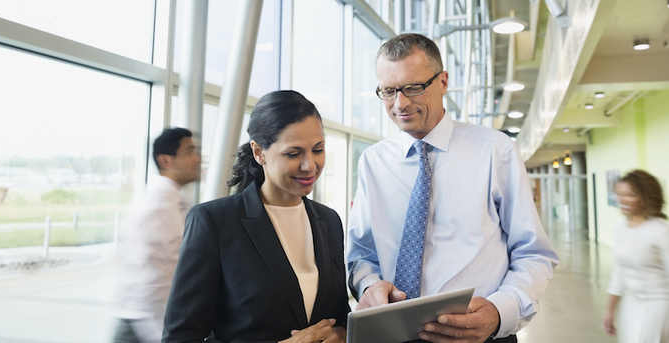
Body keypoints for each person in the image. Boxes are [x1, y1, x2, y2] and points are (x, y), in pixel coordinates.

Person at [346, 33, 559, 343]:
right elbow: (361, 254)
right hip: (394, 334)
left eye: (413, 88)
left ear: (443, 82)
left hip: (479, 334)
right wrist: (368, 287)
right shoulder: (372, 162)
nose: (400, 103)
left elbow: (533, 254)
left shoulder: (495, 151)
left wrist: (499, 313)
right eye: (388, 91)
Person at [162, 90, 350, 343]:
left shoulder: (330, 221)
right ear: (259, 152)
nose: (310, 165)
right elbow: (180, 338)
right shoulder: (214, 221)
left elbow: (339, 315)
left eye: (318, 149)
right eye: (293, 154)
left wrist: (341, 333)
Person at [113, 127, 202, 343]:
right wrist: (163, 335)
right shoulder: (156, 209)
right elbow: (149, 284)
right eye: (189, 152)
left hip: (157, 322)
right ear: (166, 161)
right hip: (143, 325)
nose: (197, 159)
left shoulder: (175, 202)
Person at [603, 169, 669, 342]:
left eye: (630, 194)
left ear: (646, 196)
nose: (622, 200)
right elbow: (619, 271)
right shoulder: (619, 227)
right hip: (630, 303)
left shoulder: (661, 230)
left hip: (659, 304)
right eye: (619, 194)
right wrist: (610, 309)